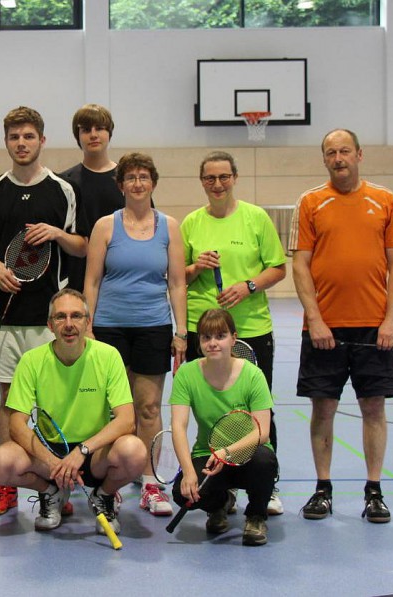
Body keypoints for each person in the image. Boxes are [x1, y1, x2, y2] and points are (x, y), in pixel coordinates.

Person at [0, 106, 87, 517]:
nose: (21, 143)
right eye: (14, 137)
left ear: (42, 140)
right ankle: (8, 487)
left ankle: (56, 482)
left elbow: (82, 245)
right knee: (8, 400)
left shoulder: (63, 190)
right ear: (6, 142)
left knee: (51, 401)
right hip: (4, 315)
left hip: (50, 317)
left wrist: (57, 233)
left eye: (28, 136)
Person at [291, 129, 393, 524]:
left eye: (344, 151)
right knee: (323, 409)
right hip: (324, 330)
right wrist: (316, 319)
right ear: (324, 159)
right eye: (330, 153)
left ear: (359, 154)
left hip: (375, 328)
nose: (338, 158)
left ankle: (374, 491)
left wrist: (391, 319)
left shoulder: (385, 200)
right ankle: (322, 489)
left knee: (373, 408)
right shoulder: (310, 202)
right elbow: (300, 264)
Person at [0, 289, 145, 536]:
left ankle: (103, 495)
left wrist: (82, 451)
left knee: (134, 451)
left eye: (76, 316)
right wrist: (53, 462)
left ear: (87, 321)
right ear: (50, 324)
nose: (69, 324)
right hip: (49, 454)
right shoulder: (31, 361)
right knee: (0, 462)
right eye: (60, 317)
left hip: (93, 454)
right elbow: (17, 424)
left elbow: (126, 420)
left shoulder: (108, 356)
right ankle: (51, 493)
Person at [181, 150, 287, 515]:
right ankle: (218, 485)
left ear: (235, 178)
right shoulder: (192, 223)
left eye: (224, 176)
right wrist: (197, 265)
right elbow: (178, 275)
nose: (217, 184)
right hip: (205, 329)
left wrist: (248, 287)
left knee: (257, 409)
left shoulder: (255, 218)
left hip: (252, 329)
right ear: (202, 182)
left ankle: (266, 486)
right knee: (210, 407)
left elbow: (277, 268)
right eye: (210, 178)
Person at [84, 152, 187, 517]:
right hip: (109, 326)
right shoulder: (105, 227)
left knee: (147, 408)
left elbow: (176, 282)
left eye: (144, 177)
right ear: (121, 185)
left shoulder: (170, 227)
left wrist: (181, 332)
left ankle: (150, 483)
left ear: (153, 183)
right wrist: (88, 326)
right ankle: (107, 484)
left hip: (153, 327)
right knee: (108, 409)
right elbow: (92, 281)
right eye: (131, 178)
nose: (138, 183)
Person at [170, 309, 277, 546]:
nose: (213, 343)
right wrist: (188, 472)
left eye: (220, 336)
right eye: (206, 337)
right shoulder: (187, 374)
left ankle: (256, 516)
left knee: (265, 461)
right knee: (182, 493)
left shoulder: (253, 375)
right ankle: (219, 505)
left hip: (246, 453)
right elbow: (178, 426)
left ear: (233, 339)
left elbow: (263, 432)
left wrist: (227, 453)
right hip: (207, 455)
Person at [58, 104, 127, 292]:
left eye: (100, 128)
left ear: (109, 133)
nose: (93, 134)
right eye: (86, 130)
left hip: (120, 278)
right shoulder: (65, 183)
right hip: (76, 280)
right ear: (78, 136)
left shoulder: (128, 180)